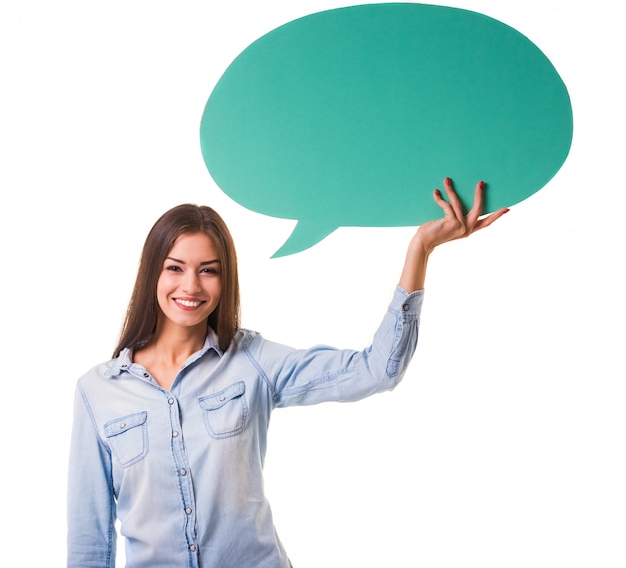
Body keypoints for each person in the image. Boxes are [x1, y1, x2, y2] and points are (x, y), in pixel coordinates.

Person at [67, 178, 508, 568]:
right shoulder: (98, 392)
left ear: (226, 280)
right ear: (152, 274)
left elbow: (378, 370)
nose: (191, 287)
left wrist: (421, 250)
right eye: (175, 268)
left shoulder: (252, 362)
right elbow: (90, 540)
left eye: (208, 271)